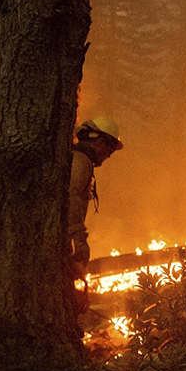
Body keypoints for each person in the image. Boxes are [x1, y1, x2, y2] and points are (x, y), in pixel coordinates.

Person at [68, 116, 123, 313]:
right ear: (98, 140)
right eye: (109, 148)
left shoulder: (80, 160)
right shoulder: (80, 162)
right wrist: (79, 241)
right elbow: (71, 197)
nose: (109, 155)